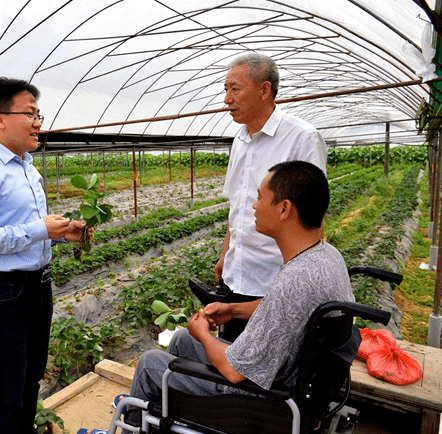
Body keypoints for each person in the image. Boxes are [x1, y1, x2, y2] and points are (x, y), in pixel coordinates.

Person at [124, 160, 353, 429]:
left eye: (259, 197)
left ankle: (135, 423)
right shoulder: (325, 256)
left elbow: (234, 372)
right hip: (291, 380)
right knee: (182, 340)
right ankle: (169, 414)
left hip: (261, 398)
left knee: (151, 362)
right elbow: (286, 308)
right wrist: (232, 310)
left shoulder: (294, 279)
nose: (254, 206)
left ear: (284, 209)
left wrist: (205, 336)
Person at [0, 77, 89, 434]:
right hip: (3, 292)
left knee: (31, 380)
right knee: (8, 390)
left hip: (37, 285)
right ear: (0, 119)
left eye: (39, 115)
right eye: (30, 114)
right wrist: (41, 229)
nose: (38, 123)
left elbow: (28, 229)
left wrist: (61, 234)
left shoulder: (27, 167)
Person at [215, 53, 328, 341]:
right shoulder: (240, 141)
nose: (227, 98)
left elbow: (313, 217)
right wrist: (226, 255)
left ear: (265, 89)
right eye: (225, 89)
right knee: (232, 353)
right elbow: (237, 205)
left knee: (264, 369)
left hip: (274, 283)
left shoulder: (301, 137)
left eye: (234, 89)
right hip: (236, 274)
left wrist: (300, 284)